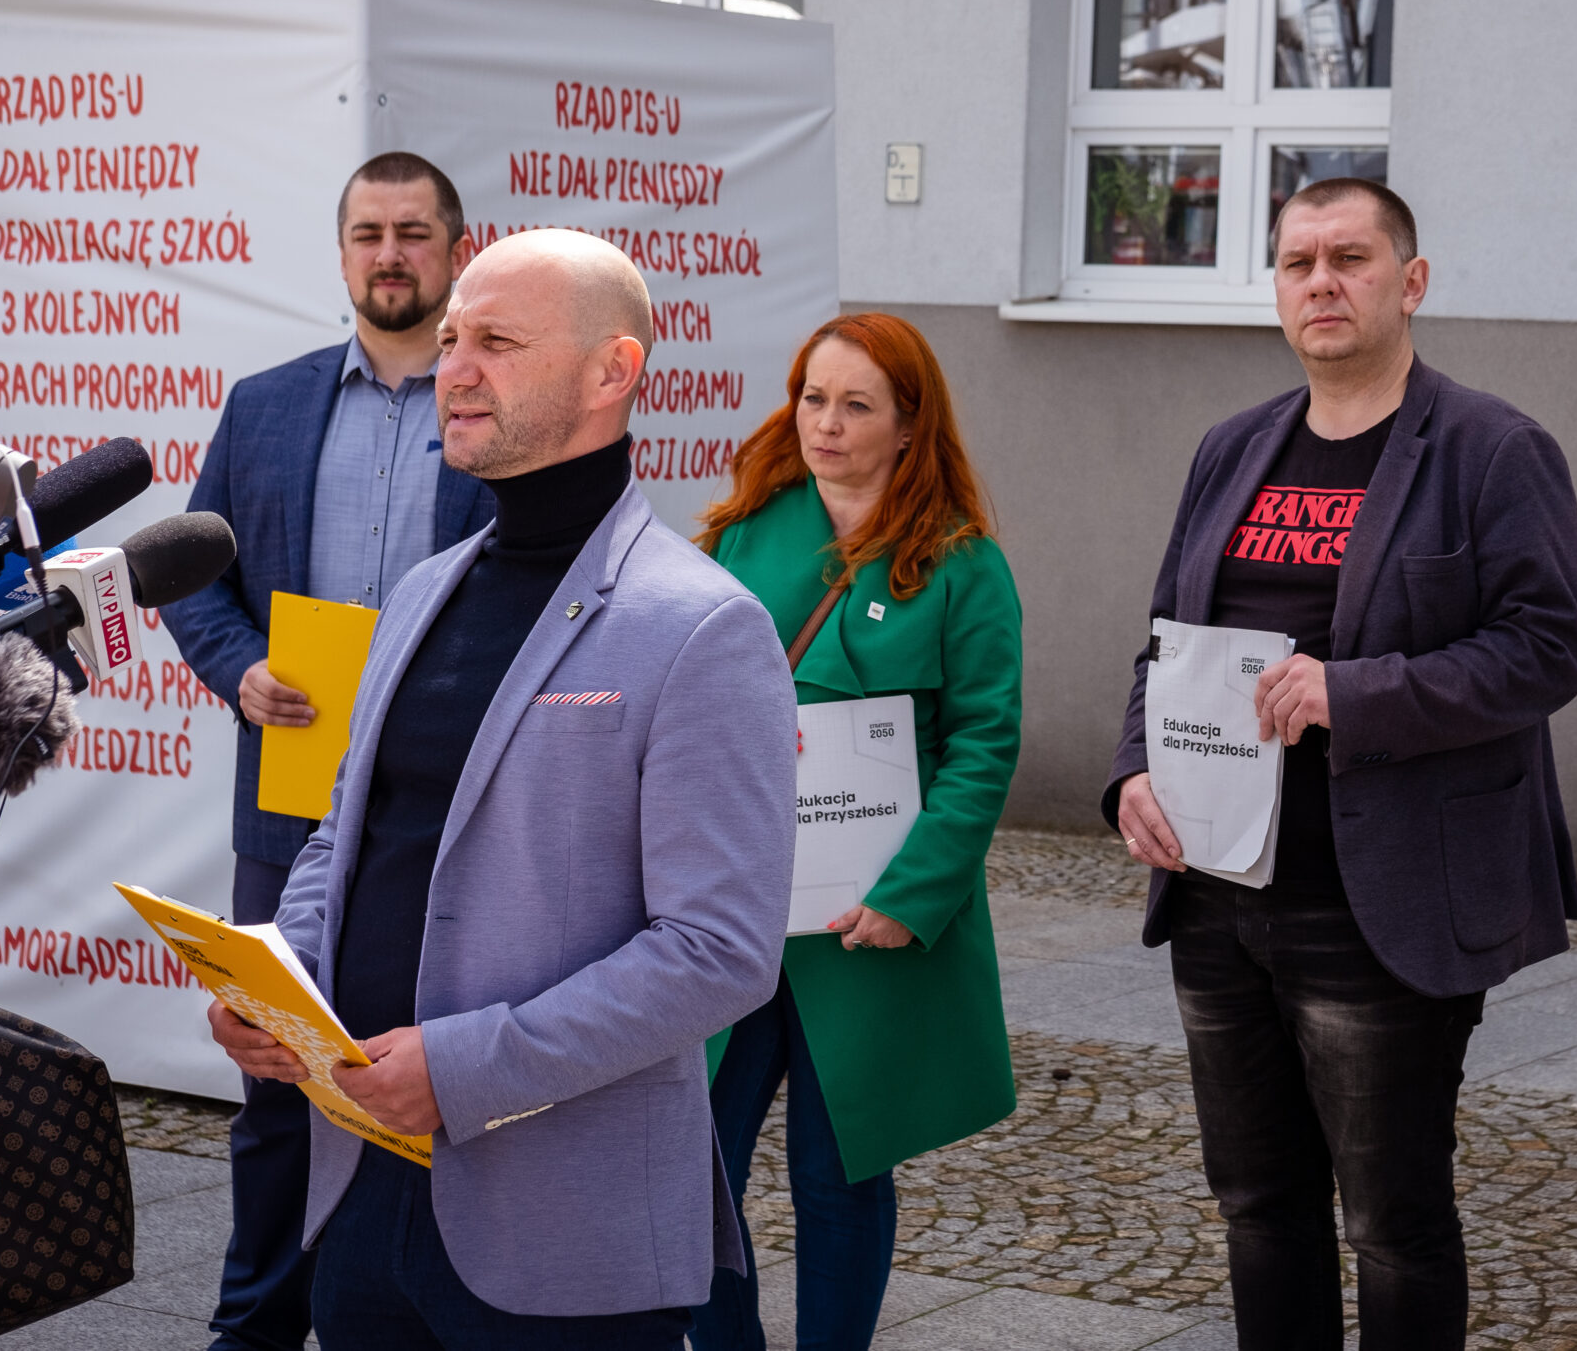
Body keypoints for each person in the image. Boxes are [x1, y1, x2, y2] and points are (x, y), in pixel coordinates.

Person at [203, 229, 795, 1348]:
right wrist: (284, 985)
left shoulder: (703, 625)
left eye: (498, 343)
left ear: (612, 371)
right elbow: (346, 834)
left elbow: (721, 950)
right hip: (363, 1187)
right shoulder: (424, 591)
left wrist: (468, 1068)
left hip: (560, 1233)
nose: (455, 370)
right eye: (451, 340)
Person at [1106, 178, 1577, 1349]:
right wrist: (1131, 773)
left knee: (1391, 1223)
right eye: (1297, 263)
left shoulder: (1491, 449)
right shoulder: (1233, 449)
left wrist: (1351, 692)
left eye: (1349, 259)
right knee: (1257, 1207)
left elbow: (1545, 649)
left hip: (1380, 903)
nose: (1321, 282)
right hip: (1218, 892)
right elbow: (1167, 643)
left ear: (1409, 282)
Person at [165, 151, 496, 1351]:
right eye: (368, 234)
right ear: (345, 251)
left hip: (442, 814)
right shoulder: (266, 405)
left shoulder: (496, 406)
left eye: (413, 232)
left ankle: (402, 1312)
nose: (389, 255)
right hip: (288, 801)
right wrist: (239, 666)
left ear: (458, 250)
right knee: (271, 1083)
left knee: (412, 1073)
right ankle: (253, 1327)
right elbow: (191, 575)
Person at [689, 313, 1022, 1351]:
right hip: (738, 906)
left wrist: (911, 895)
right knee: (690, 1166)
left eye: (856, 405)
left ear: (910, 425)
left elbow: (983, 743)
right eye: (813, 398)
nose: (825, 424)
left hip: (864, 919)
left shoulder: (961, 564)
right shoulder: (743, 533)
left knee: (840, 1175)